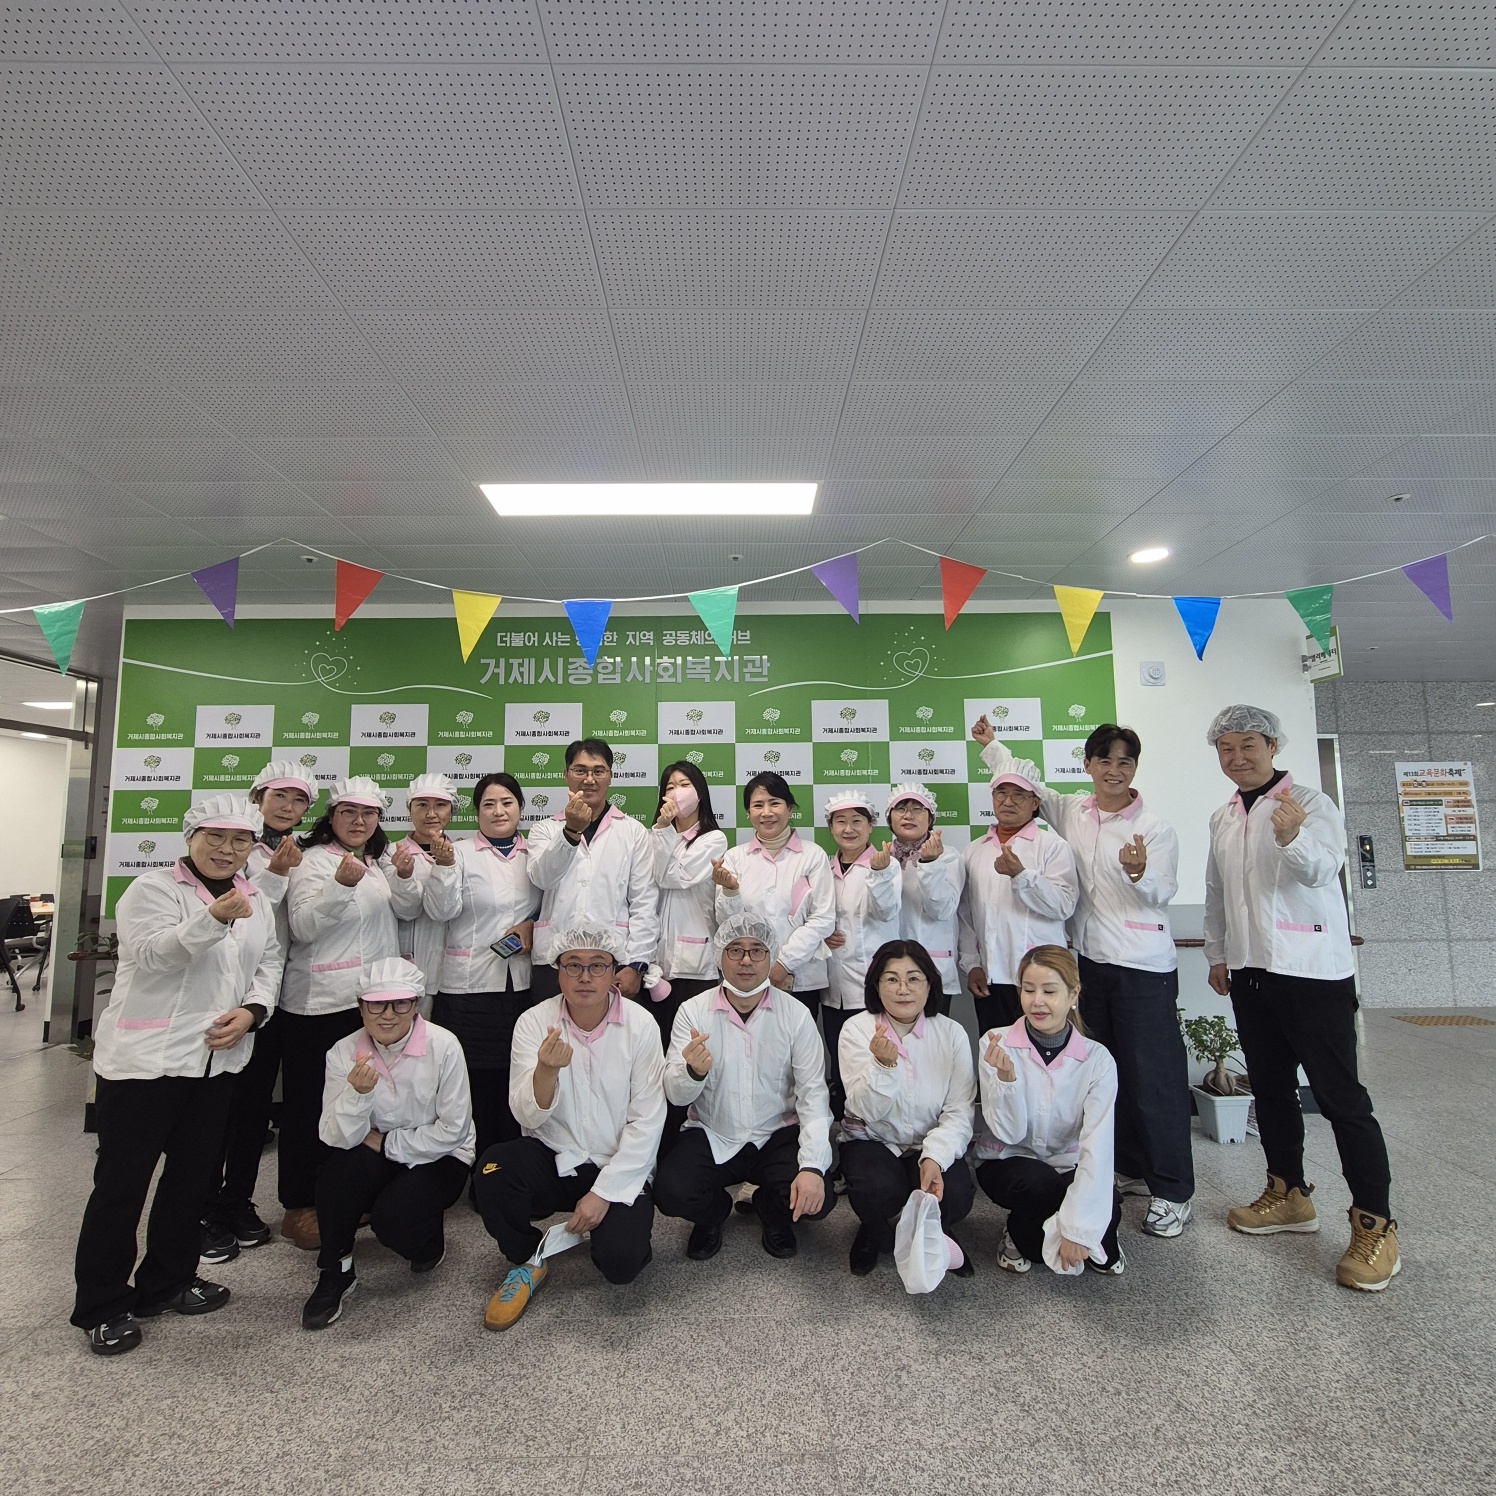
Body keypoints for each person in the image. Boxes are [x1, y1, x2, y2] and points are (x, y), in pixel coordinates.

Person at [71, 795, 284, 1356]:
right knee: (122, 1186)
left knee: (190, 1181)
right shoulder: (152, 890)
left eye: (240, 840)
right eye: (215, 837)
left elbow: (269, 962)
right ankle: (102, 1305)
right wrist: (213, 919)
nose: (227, 849)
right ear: (190, 837)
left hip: (215, 1062)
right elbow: (153, 955)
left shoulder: (256, 897)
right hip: (146, 1063)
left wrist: (254, 1011)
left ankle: (166, 1282)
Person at [973, 716, 1192, 1241]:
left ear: (1134, 768)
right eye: (1104, 760)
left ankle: (1173, 1191)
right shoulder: (1073, 809)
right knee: (1107, 1074)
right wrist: (991, 745)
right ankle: (1131, 1165)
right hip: (1089, 966)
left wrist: (1139, 872)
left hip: (1143, 966)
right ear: (1089, 765)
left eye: (1125, 762)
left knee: (1155, 1079)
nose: (1114, 770)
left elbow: (1162, 889)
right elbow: (1023, 785)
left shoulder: (1154, 827)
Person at [1204, 705, 1399, 1291]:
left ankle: (1376, 1225)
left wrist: (1291, 837)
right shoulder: (1223, 815)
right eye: (1227, 748)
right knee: (1270, 1088)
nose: (1238, 757)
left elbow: (1322, 870)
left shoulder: (1311, 803)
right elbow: (1217, 891)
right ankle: (1288, 1193)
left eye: (1249, 745)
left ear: (1272, 746)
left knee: (1341, 1099)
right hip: (1252, 972)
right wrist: (1217, 953)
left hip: (1311, 973)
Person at [475, 927, 665, 1330]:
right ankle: (529, 1259)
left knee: (621, 1265)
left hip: (618, 1163)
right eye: (573, 965)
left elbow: (648, 1120)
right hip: (555, 1154)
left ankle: (606, 1229)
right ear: (557, 971)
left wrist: (603, 1194)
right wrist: (546, 1071)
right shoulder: (534, 1022)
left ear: (613, 972)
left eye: (597, 966)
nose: (585, 977)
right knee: (494, 1169)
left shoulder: (641, 1025)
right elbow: (526, 1117)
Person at [277, 777, 423, 1251]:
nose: (359, 821)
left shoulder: (376, 862)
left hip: (367, 1004)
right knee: (309, 1105)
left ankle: (342, 1194)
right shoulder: (312, 860)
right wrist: (339, 886)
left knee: (358, 1101)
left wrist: (403, 877)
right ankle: (300, 1203)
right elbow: (302, 926)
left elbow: (399, 914)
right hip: (320, 1003)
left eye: (369, 814)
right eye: (349, 813)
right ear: (331, 815)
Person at [302, 959, 475, 1330]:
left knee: (392, 1223)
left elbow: (454, 1130)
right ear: (360, 1007)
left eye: (400, 1003)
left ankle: (428, 1237)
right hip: (375, 1147)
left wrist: (385, 1143)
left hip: (441, 1155)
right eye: (377, 1004)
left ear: (416, 1005)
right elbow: (333, 1135)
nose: (388, 1014)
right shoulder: (342, 1051)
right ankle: (335, 1269)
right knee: (336, 1174)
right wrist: (357, 1095)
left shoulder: (444, 1046)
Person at [655, 914, 836, 1261]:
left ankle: (772, 1209)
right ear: (719, 956)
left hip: (776, 1134)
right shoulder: (693, 1011)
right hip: (713, 1131)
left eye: (757, 950)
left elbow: (813, 1096)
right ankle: (714, 1213)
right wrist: (693, 1072)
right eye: (735, 950)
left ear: (771, 956)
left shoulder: (796, 1015)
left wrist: (812, 1167)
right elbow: (676, 1096)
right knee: (671, 1191)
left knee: (819, 1197)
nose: (746, 960)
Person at [202, 760, 311, 1262]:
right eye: (279, 797)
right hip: (224, 997)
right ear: (258, 797)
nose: (287, 807)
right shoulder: (235, 850)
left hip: (270, 998)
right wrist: (276, 872)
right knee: (216, 1112)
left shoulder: (299, 849)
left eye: (298, 800)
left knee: (252, 1110)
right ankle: (202, 1209)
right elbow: (245, 913)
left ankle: (236, 1201)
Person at [973, 945, 1123, 1276]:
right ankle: (1017, 1231)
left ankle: (1069, 1225)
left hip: (1067, 1160)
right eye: (1028, 990)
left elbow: (1098, 1143)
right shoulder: (995, 1043)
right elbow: (1009, 1133)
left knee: (1106, 1216)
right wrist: (1007, 1080)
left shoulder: (1098, 1059)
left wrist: (1078, 1229)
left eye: (1049, 991)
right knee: (1039, 1190)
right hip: (1008, 1159)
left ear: (1073, 994)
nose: (1037, 1001)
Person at [838, 940, 976, 1277]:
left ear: (930, 985)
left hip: (928, 1140)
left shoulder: (952, 1033)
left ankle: (937, 1231)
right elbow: (863, 1110)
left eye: (914, 979)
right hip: (873, 1139)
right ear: (876, 985)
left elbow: (959, 1111)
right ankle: (874, 1230)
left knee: (956, 1194)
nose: (903, 989)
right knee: (875, 1189)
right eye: (892, 979)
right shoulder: (856, 1029)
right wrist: (883, 1068)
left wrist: (934, 1157)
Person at [425, 772, 537, 1159]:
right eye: (488, 804)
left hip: (520, 987)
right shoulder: (458, 852)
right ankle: (473, 1166)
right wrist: (442, 868)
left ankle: (508, 1168)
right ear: (476, 813)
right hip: (468, 990)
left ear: (520, 808)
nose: (498, 811)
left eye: (507, 802)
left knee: (516, 1078)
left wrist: (533, 925)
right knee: (473, 1085)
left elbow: (554, 903)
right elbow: (440, 911)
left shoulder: (537, 853)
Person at [526, 738, 659, 1003]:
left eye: (598, 771)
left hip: (612, 959)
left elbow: (644, 903)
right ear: (565, 775)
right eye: (580, 770)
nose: (589, 779)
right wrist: (570, 832)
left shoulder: (633, 832)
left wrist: (636, 964)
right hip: (554, 959)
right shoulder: (544, 829)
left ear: (610, 776)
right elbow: (543, 879)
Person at [958, 758, 1079, 1032]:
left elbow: (1064, 905)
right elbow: (965, 916)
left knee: (1045, 1050)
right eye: (1001, 793)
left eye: (1019, 795)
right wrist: (972, 964)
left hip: (1042, 980)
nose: (1008, 801)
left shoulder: (1053, 846)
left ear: (1035, 802)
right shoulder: (974, 850)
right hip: (991, 978)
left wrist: (1021, 876)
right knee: (995, 1050)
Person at [650, 760, 729, 1153]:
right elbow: (647, 883)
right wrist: (662, 832)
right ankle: (656, 1144)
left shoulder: (713, 840)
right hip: (655, 967)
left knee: (689, 1058)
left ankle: (688, 1142)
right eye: (669, 786)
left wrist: (663, 832)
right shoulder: (654, 835)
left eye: (684, 784)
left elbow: (672, 876)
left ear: (700, 792)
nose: (675, 792)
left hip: (696, 968)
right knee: (655, 1062)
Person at [711, 771, 835, 1018]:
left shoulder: (813, 855)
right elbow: (728, 924)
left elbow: (823, 919)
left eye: (774, 803)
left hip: (800, 978)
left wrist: (783, 964)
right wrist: (731, 890)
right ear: (748, 813)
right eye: (758, 805)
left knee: (797, 1040)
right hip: (747, 977)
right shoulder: (734, 858)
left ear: (789, 809)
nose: (766, 812)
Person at [822, 791, 901, 1115]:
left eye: (857, 821)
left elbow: (886, 912)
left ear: (871, 826)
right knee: (838, 1057)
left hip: (871, 985)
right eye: (840, 821)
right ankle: (846, 1124)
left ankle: (875, 1124)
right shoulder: (824, 868)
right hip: (833, 988)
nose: (848, 829)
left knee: (873, 1057)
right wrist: (822, 937)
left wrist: (879, 875)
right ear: (830, 827)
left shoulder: (886, 864)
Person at [885, 784, 964, 1016]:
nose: (908, 815)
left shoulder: (947, 856)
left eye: (917, 809)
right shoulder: (882, 858)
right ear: (889, 818)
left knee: (932, 1035)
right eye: (900, 808)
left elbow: (942, 910)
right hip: (890, 969)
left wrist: (930, 863)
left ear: (930, 819)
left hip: (932, 966)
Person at [394, 772, 460, 1007]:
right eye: (422, 805)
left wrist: (446, 864)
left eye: (440, 805)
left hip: (455, 974)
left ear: (451, 811)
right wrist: (403, 875)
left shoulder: (463, 853)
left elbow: (445, 911)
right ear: (409, 810)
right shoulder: (391, 853)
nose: (431, 813)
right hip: (406, 970)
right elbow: (406, 911)